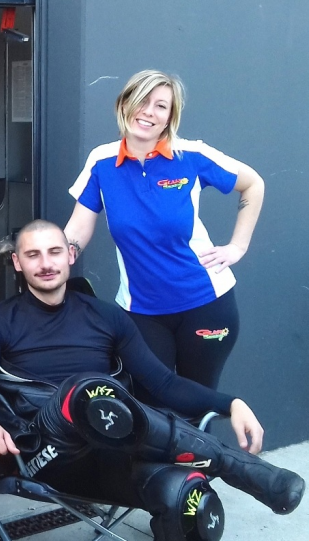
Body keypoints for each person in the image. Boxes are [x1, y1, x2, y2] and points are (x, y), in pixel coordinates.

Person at [0, 220, 303, 541]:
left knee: (187, 501)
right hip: (47, 452)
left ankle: (214, 479)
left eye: (55, 252)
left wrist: (231, 403)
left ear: (71, 256)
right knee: (84, 392)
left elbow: (164, 383)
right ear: (17, 262)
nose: (46, 263)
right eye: (33, 254)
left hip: (112, 446)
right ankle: (236, 466)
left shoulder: (106, 316)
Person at [63, 70, 265, 400]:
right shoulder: (101, 161)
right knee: (149, 410)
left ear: (170, 116)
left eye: (161, 106)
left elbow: (253, 184)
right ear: (124, 104)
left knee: (199, 404)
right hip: (141, 310)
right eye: (142, 101)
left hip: (206, 302)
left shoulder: (191, 155)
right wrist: (54, 260)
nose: (149, 112)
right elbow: (78, 228)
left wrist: (238, 246)